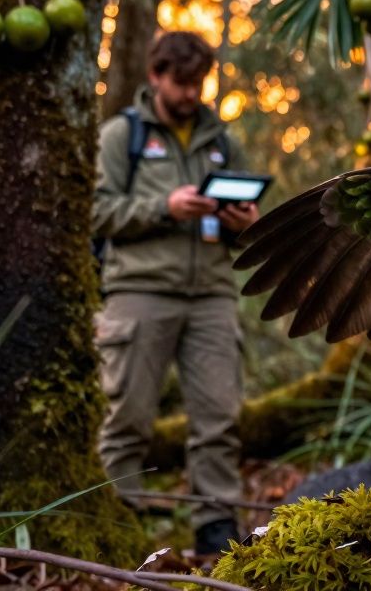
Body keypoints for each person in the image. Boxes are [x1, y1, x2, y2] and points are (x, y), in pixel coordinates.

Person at [92, 31, 259, 555]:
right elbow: (96, 212)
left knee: (218, 418)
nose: (191, 93)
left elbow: (246, 230)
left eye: (198, 83)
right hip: (138, 292)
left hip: (211, 294)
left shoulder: (220, 140)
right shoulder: (123, 136)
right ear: (155, 76)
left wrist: (244, 222)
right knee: (128, 418)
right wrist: (165, 206)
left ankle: (216, 528)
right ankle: (118, 526)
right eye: (181, 82)